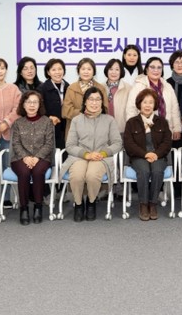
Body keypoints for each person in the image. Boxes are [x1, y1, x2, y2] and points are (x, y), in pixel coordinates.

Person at [61, 87, 122, 222]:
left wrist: (104, 153)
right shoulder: (77, 120)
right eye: (91, 99)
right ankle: (78, 204)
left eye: (98, 99)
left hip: (101, 157)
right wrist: (86, 154)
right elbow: (70, 145)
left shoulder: (109, 120)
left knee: (92, 176)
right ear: (85, 102)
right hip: (79, 157)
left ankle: (91, 202)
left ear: (102, 102)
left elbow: (117, 143)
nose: (94, 103)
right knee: (77, 176)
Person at [123, 88, 172, 221]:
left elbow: (167, 142)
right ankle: (143, 204)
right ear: (139, 104)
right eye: (145, 102)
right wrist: (145, 154)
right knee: (144, 171)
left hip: (158, 156)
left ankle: (153, 203)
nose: (147, 105)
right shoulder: (131, 122)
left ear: (155, 105)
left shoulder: (162, 121)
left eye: (151, 102)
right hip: (139, 156)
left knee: (157, 171)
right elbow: (129, 144)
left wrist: (156, 154)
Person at [10, 90, 55, 225]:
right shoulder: (17, 123)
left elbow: (49, 143)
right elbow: (16, 143)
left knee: (37, 171)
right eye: (28, 102)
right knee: (24, 172)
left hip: (42, 157)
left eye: (35, 102)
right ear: (23, 105)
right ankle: (24, 208)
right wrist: (25, 157)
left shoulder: (47, 122)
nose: (32, 105)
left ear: (39, 105)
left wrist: (37, 157)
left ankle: (38, 206)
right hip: (20, 158)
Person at [126, 57, 182, 142]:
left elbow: (175, 109)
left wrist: (177, 128)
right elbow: (131, 109)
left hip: (166, 130)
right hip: (144, 131)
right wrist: (133, 129)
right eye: (152, 67)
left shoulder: (167, 86)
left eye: (159, 67)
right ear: (147, 69)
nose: (156, 70)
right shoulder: (138, 86)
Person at [62, 57, 106, 138]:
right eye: (83, 69)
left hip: (96, 130)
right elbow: (66, 111)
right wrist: (85, 112)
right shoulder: (71, 88)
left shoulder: (101, 88)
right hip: (75, 131)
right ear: (78, 71)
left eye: (89, 69)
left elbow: (105, 109)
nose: (86, 72)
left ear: (94, 71)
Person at [37, 58, 69, 149]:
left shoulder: (69, 87)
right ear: (48, 72)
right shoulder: (42, 89)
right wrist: (48, 117)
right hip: (49, 129)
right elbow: (37, 108)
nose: (57, 72)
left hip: (66, 129)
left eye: (60, 69)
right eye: (53, 70)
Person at [167, 50, 182, 149]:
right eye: (176, 62)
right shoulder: (167, 83)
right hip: (173, 124)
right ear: (172, 65)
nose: (179, 65)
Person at [103, 58, 131, 135]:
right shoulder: (100, 87)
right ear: (107, 70)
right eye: (111, 69)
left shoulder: (128, 88)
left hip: (122, 129)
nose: (114, 72)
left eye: (117, 69)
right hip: (103, 130)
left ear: (121, 71)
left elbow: (132, 110)